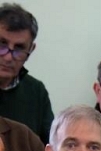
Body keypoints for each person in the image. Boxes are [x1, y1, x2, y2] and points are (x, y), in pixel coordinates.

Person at [0, 3, 52, 143]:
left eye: (19, 48)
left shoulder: (36, 92)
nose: (8, 56)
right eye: (2, 44)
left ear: (31, 50)